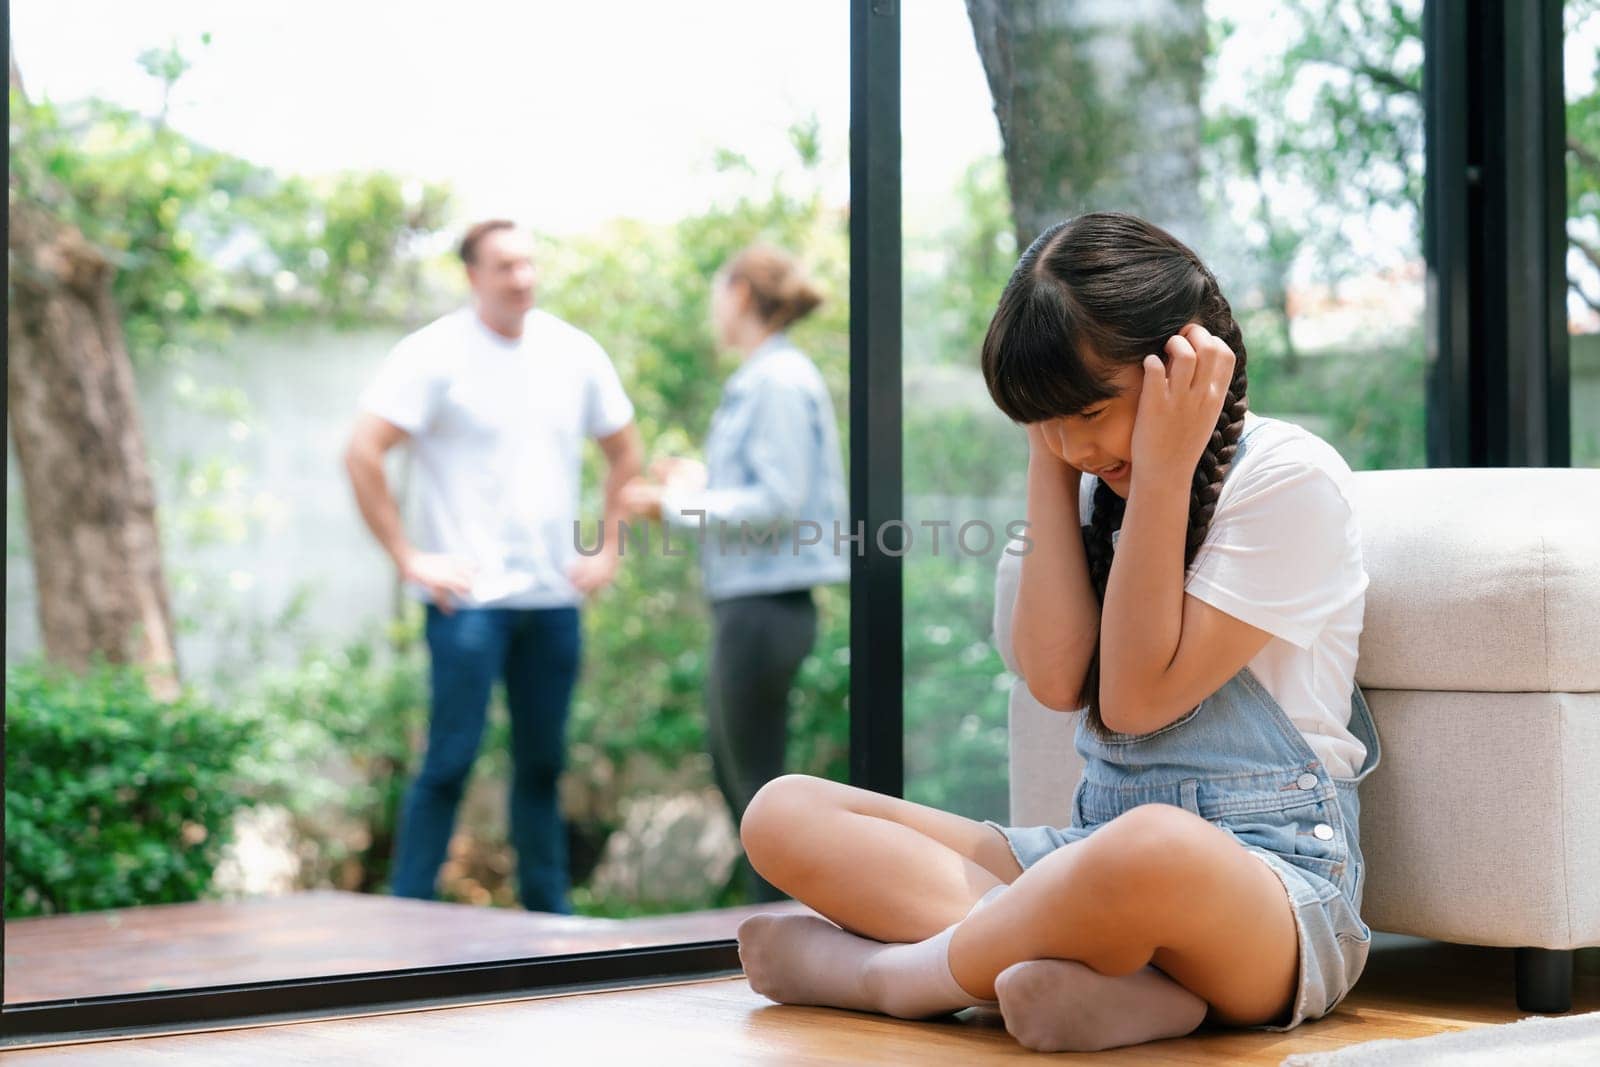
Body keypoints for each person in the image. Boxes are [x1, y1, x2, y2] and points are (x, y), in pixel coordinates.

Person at [730, 212, 1381, 1053]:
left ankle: (895, 978)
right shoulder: (1084, 474)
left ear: (1186, 362)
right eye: (1046, 419)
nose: (1076, 442)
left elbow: (1137, 700)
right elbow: (1054, 677)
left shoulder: (1291, 478)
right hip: (1086, 857)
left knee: (1150, 846)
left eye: (1090, 410)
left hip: (1271, 890)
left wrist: (1167, 468)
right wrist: (1051, 460)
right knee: (782, 810)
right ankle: (1121, 990)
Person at [344, 219, 642, 914]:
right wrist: (408, 556)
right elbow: (362, 451)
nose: (523, 278)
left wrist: (610, 547)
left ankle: (549, 923)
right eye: (506, 266)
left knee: (542, 767)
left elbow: (625, 453)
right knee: (447, 761)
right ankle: (407, 917)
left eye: (530, 263)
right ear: (473, 275)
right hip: (468, 603)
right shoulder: (433, 355)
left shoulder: (574, 353)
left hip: (551, 600)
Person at [621, 244, 849, 902]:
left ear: (743, 293)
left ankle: (787, 934)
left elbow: (777, 502)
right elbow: (764, 489)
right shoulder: (766, 376)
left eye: (718, 293)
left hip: (765, 606)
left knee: (755, 791)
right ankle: (781, 932)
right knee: (743, 779)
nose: (713, 309)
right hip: (753, 602)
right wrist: (695, 482)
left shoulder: (776, 380)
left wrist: (672, 504)